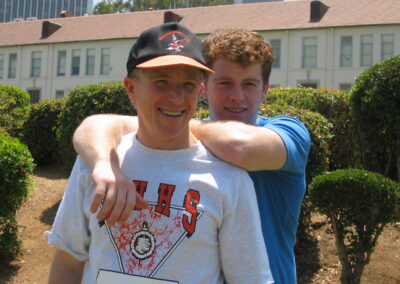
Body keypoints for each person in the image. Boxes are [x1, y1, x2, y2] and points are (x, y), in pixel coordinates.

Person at [73, 27, 311, 284]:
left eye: (249, 85)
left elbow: (239, 147)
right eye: (224, 83)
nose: (237, 96)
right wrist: (104, 164)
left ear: (265, 89)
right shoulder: (177, 131)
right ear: (204, 88)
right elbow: (93, 126)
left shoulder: (289, 131)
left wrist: (173, 121)